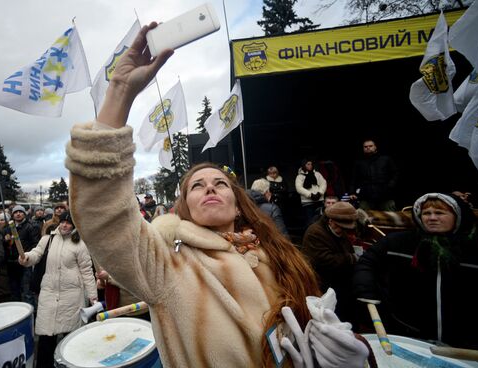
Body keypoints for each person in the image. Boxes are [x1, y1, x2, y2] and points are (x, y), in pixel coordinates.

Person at [64, 23, 369, 368]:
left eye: (220, 183)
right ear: (185, 209)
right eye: (196, 185)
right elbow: (104, 214)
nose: (209, 186)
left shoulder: (278, 253)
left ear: (239, 204)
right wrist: (119, 91)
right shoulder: (165, 264)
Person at [354, 193, 478, 351]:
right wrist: (366, 289)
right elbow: (368, 262)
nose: (432, 218)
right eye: (426, 213)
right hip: (410, 337)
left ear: (458, 216)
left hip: (468, 345)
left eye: (440, 213)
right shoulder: (399, 242)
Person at [18, 211, 97, 368]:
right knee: (46, 338)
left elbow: (87, 271)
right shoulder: (48, 239)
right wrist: (26, 257)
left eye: (68, 223)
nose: (64, 225)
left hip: (72, 297)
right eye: (62, 222)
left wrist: (93, 296)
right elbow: (36, 254)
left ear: (75, 225)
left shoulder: (79, 244)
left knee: (71, 338)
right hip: (49, 293)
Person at [301, 202, 359, 324]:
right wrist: (351, 258)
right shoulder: (315, 233)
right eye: (340, 228)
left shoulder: (338, 231)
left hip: (341, 284)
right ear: (331, 221)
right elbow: (325, 260)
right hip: (323, 286)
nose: (343, 231)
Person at [349, 139, 398, 211]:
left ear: (375, 147)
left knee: (390, 218)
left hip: (385, 196)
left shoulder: (385, 159)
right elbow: (353, 179)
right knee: (363, 218)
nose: (368, 148)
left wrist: (390, 186)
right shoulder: (359, 163)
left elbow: (395, 173)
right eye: (365, 147)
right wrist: (352, 192)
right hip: (366, 197)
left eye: (370, 146)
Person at [6, 205, 40, 305]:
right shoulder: (8, 228)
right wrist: (5, 240)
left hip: (25, 263)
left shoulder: (31, 226)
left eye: (20, 212)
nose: (18, 214)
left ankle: (30, 312)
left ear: (24, 214)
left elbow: (35, 244)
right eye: (16, 212)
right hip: (12, 264)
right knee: (14, 291)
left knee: (27, 291)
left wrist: (27, 256)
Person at [295, 159, 327, 226]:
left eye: (311, 164)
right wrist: (310, 195)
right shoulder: (300, 176)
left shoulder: (317, 174)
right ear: (304, 165)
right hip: (307, 202)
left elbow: (323, 183)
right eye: (308, 164)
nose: (310, 166)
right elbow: (299, 188)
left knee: (321, 219)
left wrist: (319, 193)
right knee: (310, 221)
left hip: (319, 200)